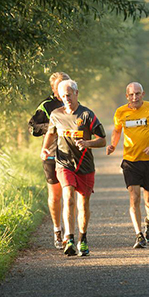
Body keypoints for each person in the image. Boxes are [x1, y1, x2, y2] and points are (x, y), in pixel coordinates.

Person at [41, 80, 106, 256]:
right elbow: (51, 132)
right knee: (68, 195)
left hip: (84, 166)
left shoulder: (87, 115)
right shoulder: (55, 115)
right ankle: (69, 238)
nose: (66, 99)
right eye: (63, 96)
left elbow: (102, 140)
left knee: (83, 204)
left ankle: (82, 239)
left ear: (77, 93)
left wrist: (87, 143)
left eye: (69, 95)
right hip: (64, 163)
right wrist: (44, 149)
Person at [106, 82, 149, 248]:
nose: (135, 97)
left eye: (138, 93)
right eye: (131, 94)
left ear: (143, 94)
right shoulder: (120, 112)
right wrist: (112, 145)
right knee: (134, 198)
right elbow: (117, 131)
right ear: (127, 96)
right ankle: (138, 235)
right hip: (130, 161)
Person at [29, 72, 70, 249]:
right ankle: (57, 230)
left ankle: (70, 233)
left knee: (69, 195)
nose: (63, 89)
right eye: (59, 86)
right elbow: (33, 128)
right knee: (55, 196)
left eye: (66, 84)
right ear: (53, 88)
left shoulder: (72, 102)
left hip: (70, 154)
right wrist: (52, 128)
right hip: (52, 154)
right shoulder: (46, 106)